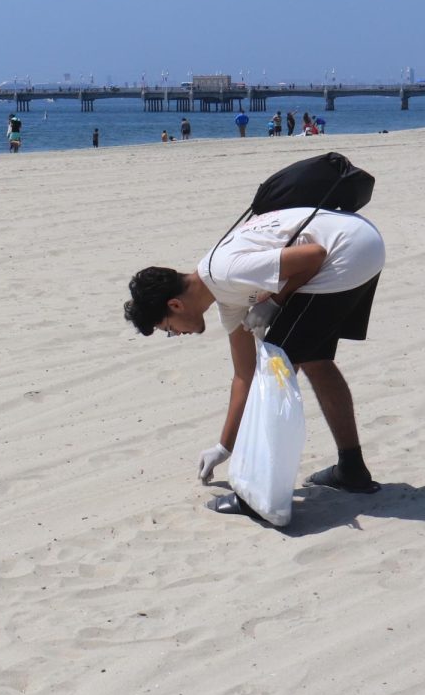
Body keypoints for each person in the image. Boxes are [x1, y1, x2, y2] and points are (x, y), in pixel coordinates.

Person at [124, 207, 386, 516]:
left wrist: (276, 300)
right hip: (361, 245)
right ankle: (352, 470)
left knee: (276, 365)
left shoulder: (224, 272)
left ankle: (257, 495)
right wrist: (223, 447)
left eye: (167, 329)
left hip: (345, 253)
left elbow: (314, 255)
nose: (176, 334)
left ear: (175, 305)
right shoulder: (225, 295)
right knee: (313, 359)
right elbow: (243, 376)